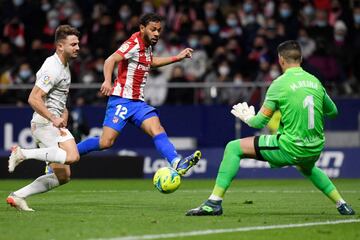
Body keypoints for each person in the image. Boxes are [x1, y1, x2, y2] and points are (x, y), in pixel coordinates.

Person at [186, 40, 355, 216]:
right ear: (301, 58)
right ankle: (341, 203)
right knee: (307, 167)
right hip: (315, 148)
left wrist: (248, 117)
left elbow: (259, 123)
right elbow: (334, 112)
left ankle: (214, 202)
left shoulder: (279, 84)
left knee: (233, 147)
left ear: (281, 59)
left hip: (291, 146)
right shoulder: (315, 82)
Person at [76, 13, 201, 175]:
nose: (157, 33)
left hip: (138, 103)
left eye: (159, 30)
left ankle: (176, 162)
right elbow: (110, 60)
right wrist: (107, 81)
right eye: (153, 29)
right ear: (142, 29)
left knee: (157, 128)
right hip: (121, 100)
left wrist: (177, 58)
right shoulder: (133, 43)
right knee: (106, 142)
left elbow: (150, 62)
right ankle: (66, 153)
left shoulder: (148, 45)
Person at [7, 25, 81, 211]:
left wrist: (63, 111)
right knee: (72, 156)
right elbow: (33, 98)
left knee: (63, 176)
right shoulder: (52, 67)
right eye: (73, 44)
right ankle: (22, 153)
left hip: (52, 121)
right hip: (44, 123)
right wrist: (53, 117)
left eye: (78, 43)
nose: (78, 47)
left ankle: (17, 196)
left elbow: (56, 95)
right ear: (60, 46)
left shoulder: (63, 65)